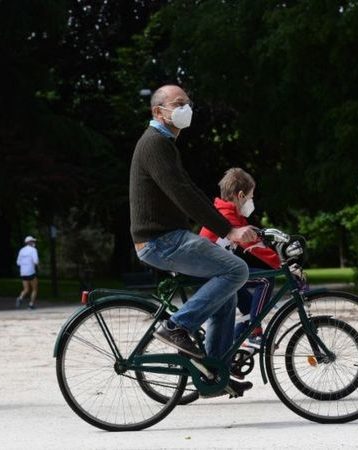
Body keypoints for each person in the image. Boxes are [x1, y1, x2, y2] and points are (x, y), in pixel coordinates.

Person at [130, 84, 256, 395]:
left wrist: (227, 225)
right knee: (237, 270)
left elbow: (191, 191)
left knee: (225, 290)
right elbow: (182, 194)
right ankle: (176, 326)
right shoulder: (155, 144)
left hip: (166, 238)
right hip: (161, 240)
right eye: (179, 103)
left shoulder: (164, 144)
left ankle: (213, 371)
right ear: (159, 111)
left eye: (188, 102)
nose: (186, 108)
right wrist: (229, 230)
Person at [199, 168, 281, 350]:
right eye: (251, 197)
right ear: (241, 195)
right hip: (213, 274)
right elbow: (252, 246)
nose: (251, 202)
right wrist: (280, 263)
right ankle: (255, 332)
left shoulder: (231, 214)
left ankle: (230, 358)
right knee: (266, 280)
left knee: (248, 311)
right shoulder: (226, 216)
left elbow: (255, 238)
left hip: (220, 272)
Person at [15, 236, 39, 310]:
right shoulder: (33, 250)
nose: (34, 243)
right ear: (30, 242)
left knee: (26, 289)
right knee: (35, 289)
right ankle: (31, 305)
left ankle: (20, 298)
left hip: (23, 272)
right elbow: (36, 261)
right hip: (31, 272)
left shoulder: (21, 250)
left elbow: (18, 263)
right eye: (33, 241)